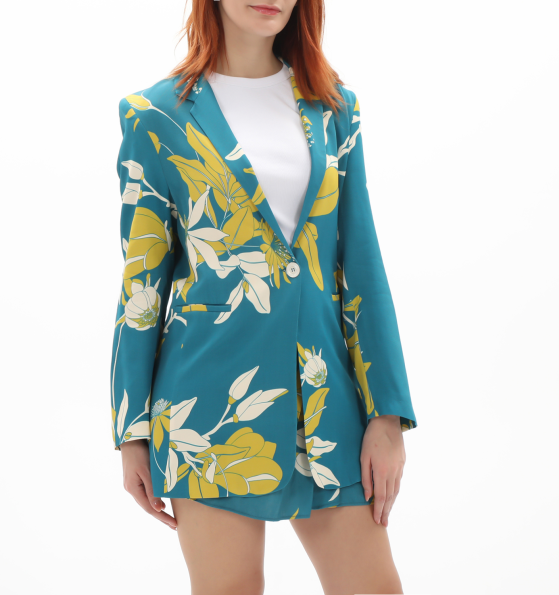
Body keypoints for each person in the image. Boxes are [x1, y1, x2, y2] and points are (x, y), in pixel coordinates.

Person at [111, 1, 418, 593]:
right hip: (205, 409)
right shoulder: (154, 116)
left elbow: (362, 265)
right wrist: (132, 431)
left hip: (328, 403)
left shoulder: (335, 109)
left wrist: (387, 414)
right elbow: (141, 285)